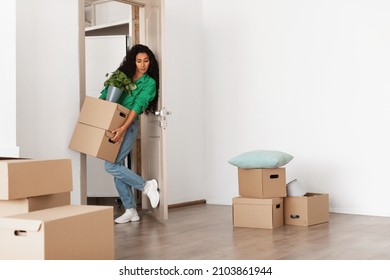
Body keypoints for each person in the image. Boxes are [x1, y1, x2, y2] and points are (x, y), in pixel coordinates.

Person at [99, 44, 160, 224]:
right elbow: (104, 95)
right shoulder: (121, 77)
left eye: (146, 61)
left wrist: (123, 128)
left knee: (111, 165)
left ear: (151, 62)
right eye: (139, 61)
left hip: (128, 126)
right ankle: (131, 210)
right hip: (112, 123)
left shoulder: (150, 83)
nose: (143, 65)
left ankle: (147, 186)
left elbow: (137, 106)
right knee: (117, 167)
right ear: (133, 61)